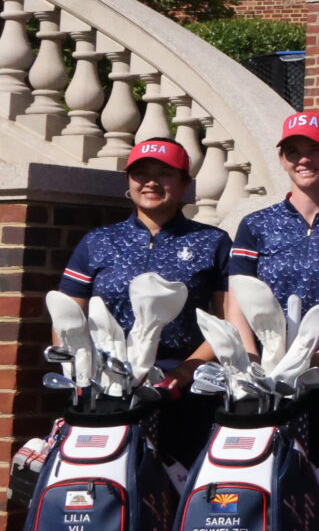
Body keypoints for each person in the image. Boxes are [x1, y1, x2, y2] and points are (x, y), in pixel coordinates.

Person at [59, 136, 232, 466]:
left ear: (185, 184)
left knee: (178, 485)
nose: (151, 182)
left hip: (180, 386)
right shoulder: (98, 241)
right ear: (129, 181)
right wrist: (79, 371)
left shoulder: (213, 242)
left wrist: (185, 371)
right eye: (141, 173)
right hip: (105, 386)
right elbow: (67, 318)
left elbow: (225, 323)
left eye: (164, 173)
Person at [226, 111, 319, 468]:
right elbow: (237, 298)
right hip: (265, 381)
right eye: (293, 152)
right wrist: (251, 364)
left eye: (315, 149)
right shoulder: (256, 225)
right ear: (281, 159)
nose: (303, 159)